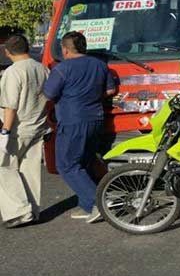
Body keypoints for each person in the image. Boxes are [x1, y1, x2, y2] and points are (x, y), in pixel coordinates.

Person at [43, 31, 116, 223]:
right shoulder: (100, 65)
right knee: (84, 161)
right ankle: (87, 204)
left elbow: (49, 93)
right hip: (96, 119)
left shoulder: (62, 69)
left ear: (65, 50)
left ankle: (97, 203)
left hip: (72, 120)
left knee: (66, 165)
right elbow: (110, 90)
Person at [0, 35, 49, 227]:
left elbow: (10, 105)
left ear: (7, 52)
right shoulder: (42, 69)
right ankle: (33, 210)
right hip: (38, 126)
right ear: (27, 48)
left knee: (5, 168)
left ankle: (20, 212)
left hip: (17, 129)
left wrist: (4, 131)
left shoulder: (13, 72)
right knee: (30, 170)